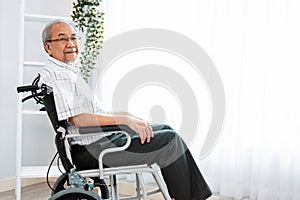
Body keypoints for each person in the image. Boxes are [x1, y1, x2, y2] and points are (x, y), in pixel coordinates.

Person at [40, 19, 212, 200]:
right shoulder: (59, 75)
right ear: (48, 47)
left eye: (74, 38)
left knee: (165, 129)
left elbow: (93, 115)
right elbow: (79, 120)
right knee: (169, 141)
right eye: (62, 39)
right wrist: (123, 121)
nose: (71, 44)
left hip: (98, 142)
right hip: (92, 150)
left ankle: (188, 196)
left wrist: (127, 116)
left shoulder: (66, 72)